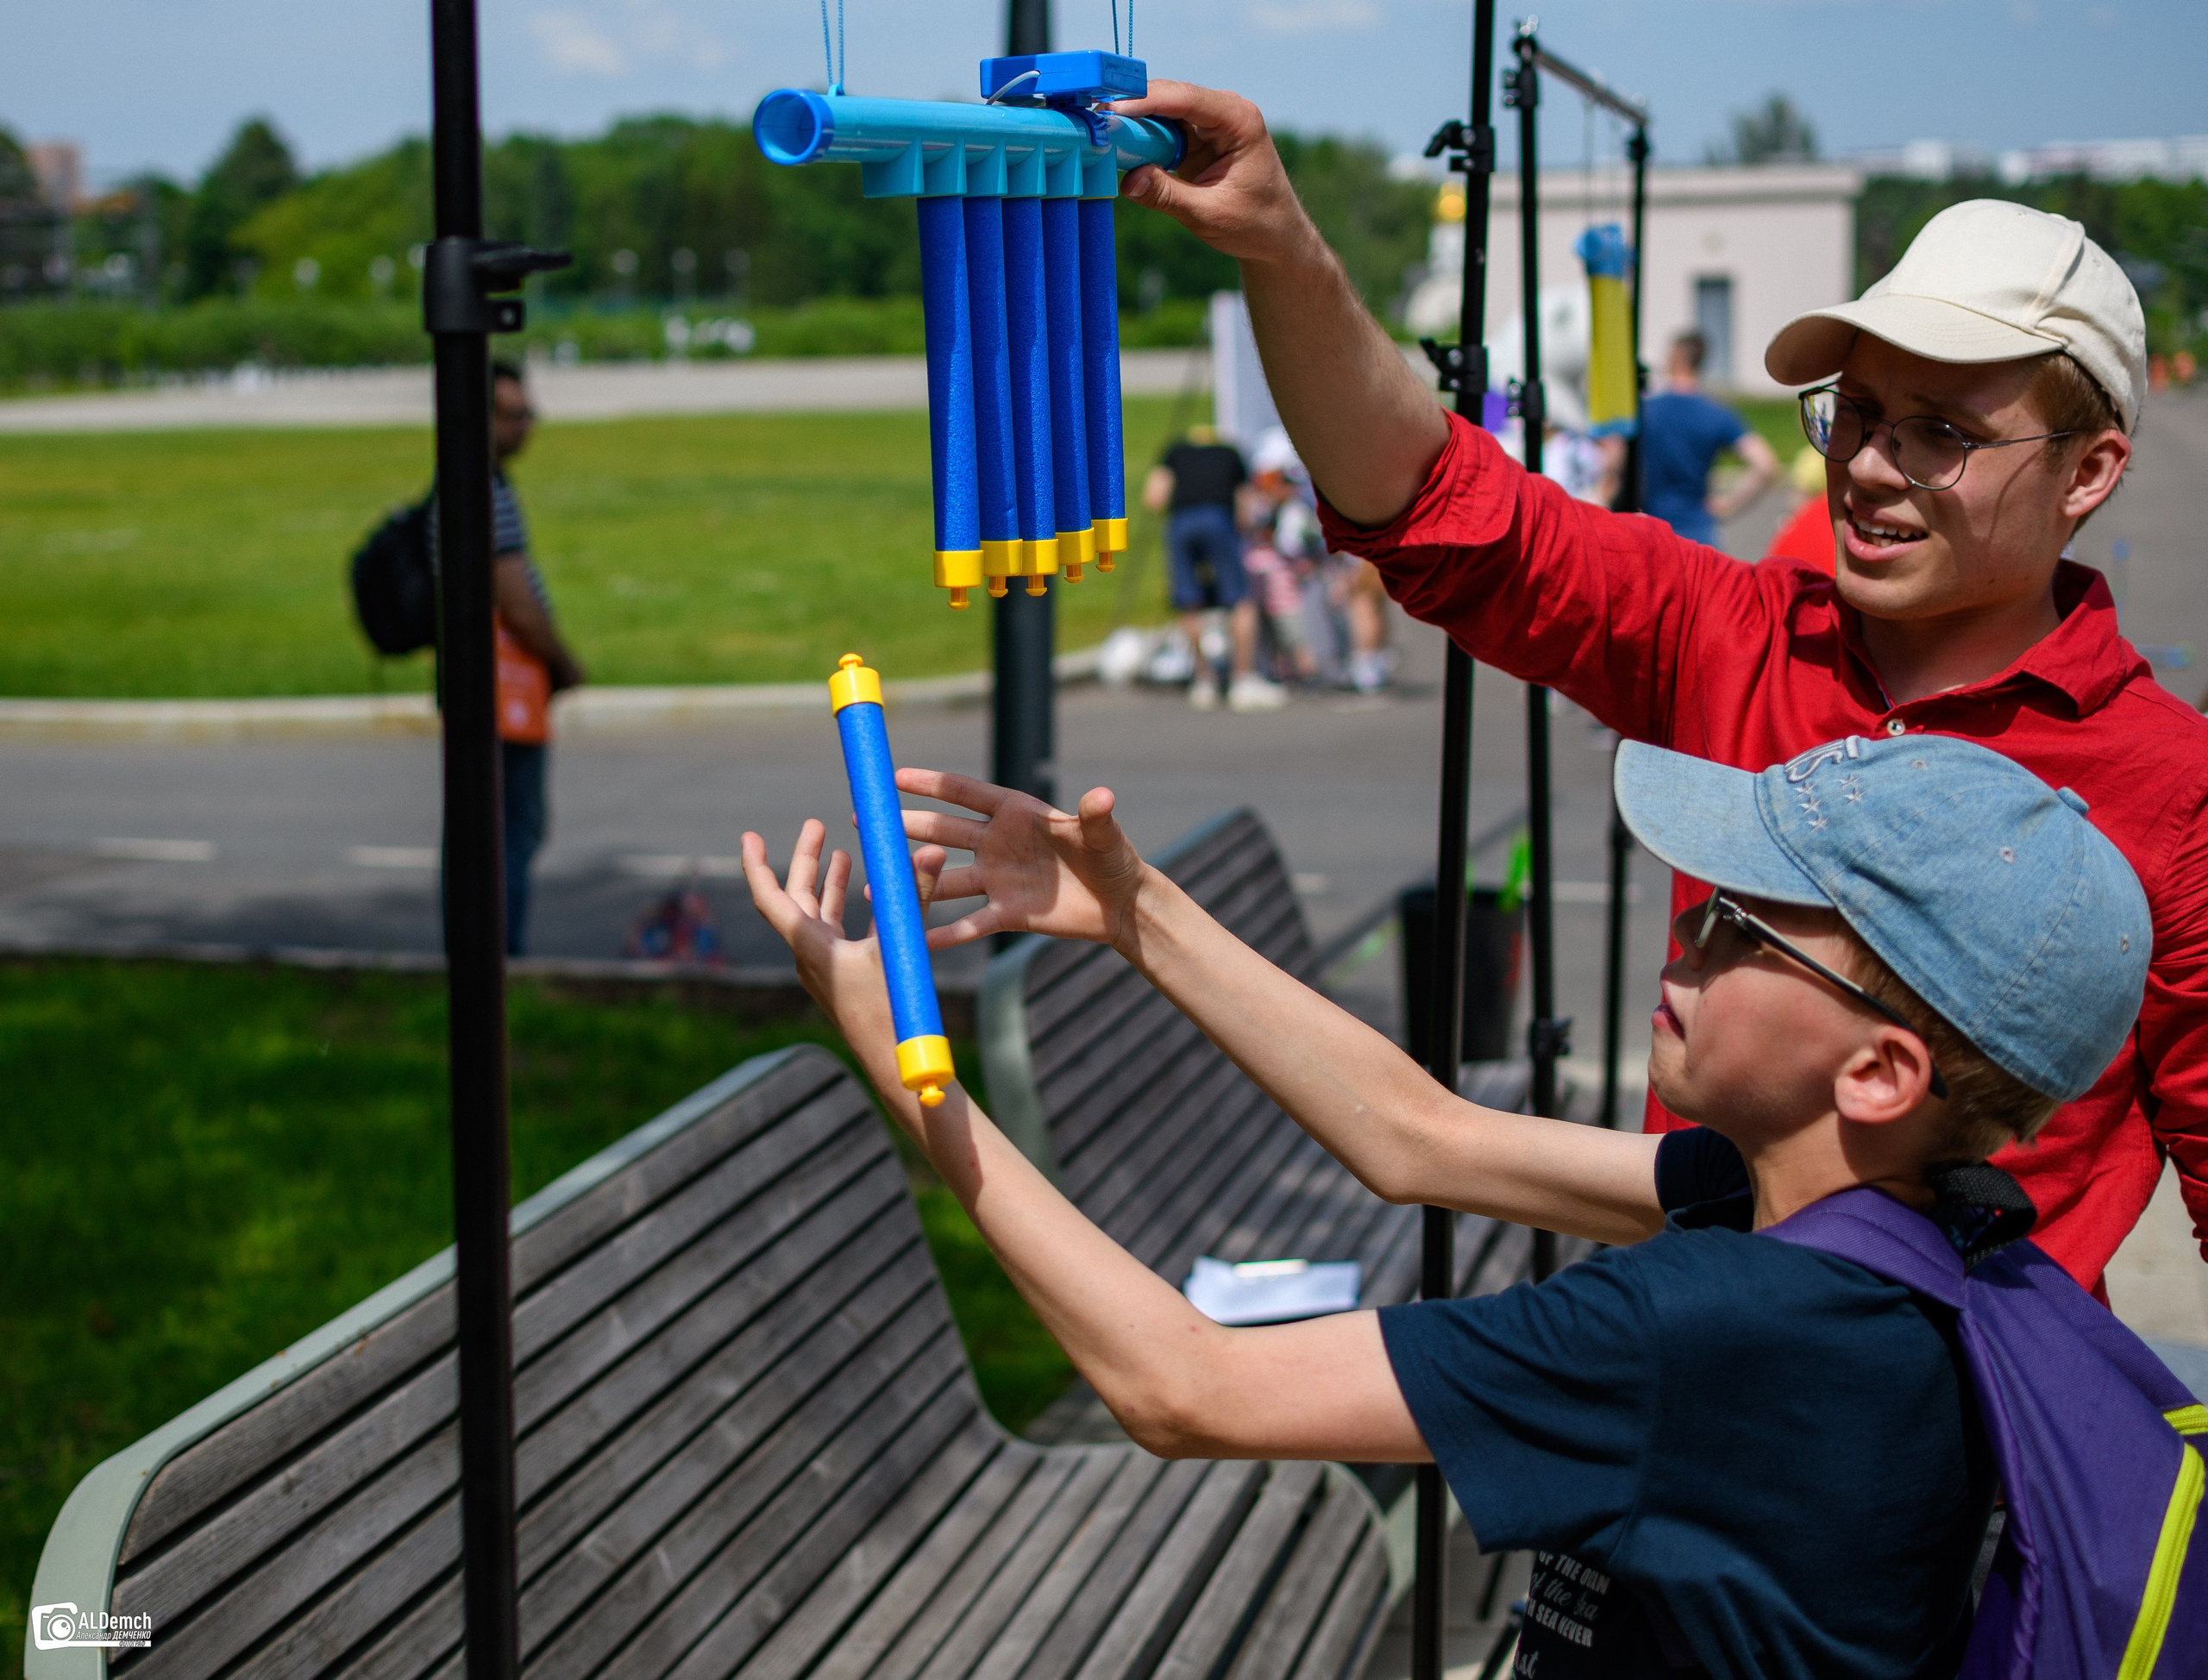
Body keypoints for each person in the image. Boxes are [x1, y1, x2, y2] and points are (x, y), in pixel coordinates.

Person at [742, 729, 2149, 1679]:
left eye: (1746, 925)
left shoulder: (1707, 1328)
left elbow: (1183, 1385)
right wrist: (1132, 912)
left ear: (1881, 1068)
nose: (1690, 924)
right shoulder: (1913, 1225)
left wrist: (899, 1055)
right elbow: (1423, 1137)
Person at [1104, 81, 2206, 1292]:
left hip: (1962, 1446)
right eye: (1855, 414)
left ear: (2091, 471)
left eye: (1940, 433)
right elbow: (1434, 511)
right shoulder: (1733, 633)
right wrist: (1281, 243)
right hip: (1691, 1360)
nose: (1870, 470)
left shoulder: (2173, 792)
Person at [486, 359, 585, 955]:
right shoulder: (483, 490)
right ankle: (500, 957)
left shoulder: (486, 484)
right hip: (504, 695)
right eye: (513, 415)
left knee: (501, 830)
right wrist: (564, 663)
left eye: (529, 414)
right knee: (508, 832)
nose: (527, 426)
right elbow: (516, 602)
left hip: (502, 692)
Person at [1142, 427, 1287, 711]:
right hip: (1218, 519)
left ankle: (1203, 679)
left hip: (1180, 523)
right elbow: (1245, 506)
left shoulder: (1175, 452)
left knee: (1189, 601)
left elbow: (1154, 498)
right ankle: (1242, 679)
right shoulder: (1230, 454)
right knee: (1241, 599)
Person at [1637, 330, 1782, 548]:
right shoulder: (1716, 413)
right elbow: (1766, 466)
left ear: (1673, 358)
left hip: (1651, 529)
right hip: (1699, 534)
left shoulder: (1646, 411)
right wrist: (1728, 504)